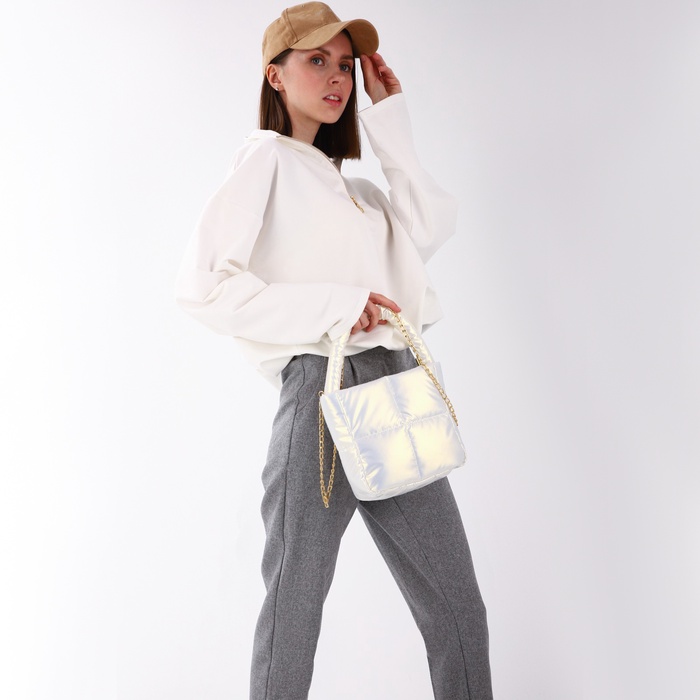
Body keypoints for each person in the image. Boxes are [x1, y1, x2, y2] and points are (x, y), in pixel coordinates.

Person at [175, 3, 493, 698]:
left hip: (394, 391)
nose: (337, 77)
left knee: (458, 610)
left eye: (345, 65)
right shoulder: (266, 159)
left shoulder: (358, 193)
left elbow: (431, 224)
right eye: (316, 60)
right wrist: (336, 304)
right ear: (276, 75)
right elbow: (204, 286)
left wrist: (389, 116)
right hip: (320, 391)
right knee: (294, 609)